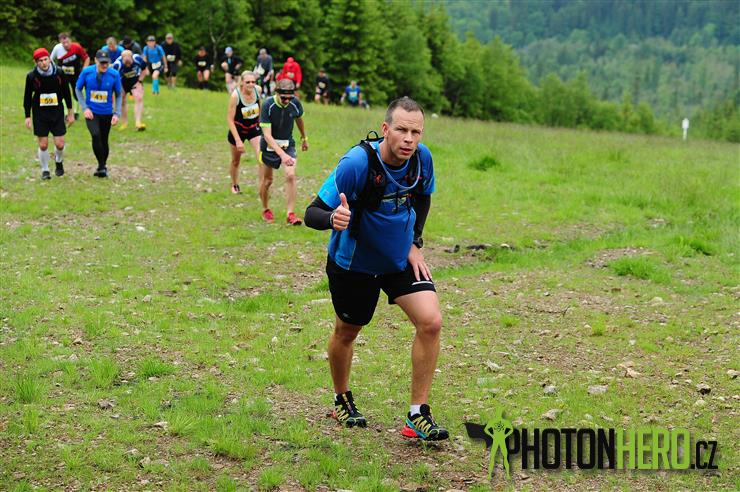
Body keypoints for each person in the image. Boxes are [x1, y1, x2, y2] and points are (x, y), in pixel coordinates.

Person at [304, 97, 447, 441]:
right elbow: (312, 213)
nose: (409, 139)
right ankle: (341, 398)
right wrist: (332, 218)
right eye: (401, 130)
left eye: (416, 132)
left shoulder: (421, 160)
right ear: (385, 129)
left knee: (431, 322)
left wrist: (415, 242)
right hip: (355, 263)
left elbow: (423, 197)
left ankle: (418, 414)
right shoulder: (357, 163)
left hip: (398, 259)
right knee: (347, 331)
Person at [258, 79, 307, 225]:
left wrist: (304, 138)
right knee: (267, 181)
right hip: (269, 145)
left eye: (290, 98)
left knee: (290, 175)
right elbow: (267, 136)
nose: (287, 101)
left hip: (287, 144)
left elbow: (299, 119)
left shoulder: (295, 103)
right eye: (283, 97)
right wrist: (282, 155)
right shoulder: (268, 105)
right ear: (277, 93)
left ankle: (290, 214)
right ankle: (265, 209)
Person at [24, 48, 74, 180]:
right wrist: (27, 116)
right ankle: (45, 170)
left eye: (45, 59)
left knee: (60, 144)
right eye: (40, 61)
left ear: (50, 59)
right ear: (36, 63)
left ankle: (59, 161)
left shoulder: (59, 73)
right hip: (39, 112)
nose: (44, 63)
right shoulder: (32, 76)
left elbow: (67, 93)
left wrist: (70, 112)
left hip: (56, 111)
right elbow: (27, 97)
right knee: (43, 144)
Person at [76, 50, 122, 178]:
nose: (104, 65)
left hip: (107, 112)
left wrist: (117, 113)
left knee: (104, 139)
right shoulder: (87, 72)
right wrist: (84, 108)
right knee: (96, 135)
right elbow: (78, 89)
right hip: (91, 112)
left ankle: (102, 166)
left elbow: (119, 94)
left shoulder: (114, 74)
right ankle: (102, 166)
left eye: (106, 62)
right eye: (102, 63)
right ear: (95, 61)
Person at [226, 71, 262, 194]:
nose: (251, 85)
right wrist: (238, 141)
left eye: (253, 82)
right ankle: (234, 184)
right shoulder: (235, 96)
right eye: (248, 82)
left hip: (253, 129)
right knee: (236, 161)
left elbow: (260, 106)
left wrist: (261, 123)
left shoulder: (258, 90)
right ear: (241, 82)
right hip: (238, 130)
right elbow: (229, 119)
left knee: (262, 158)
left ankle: (262, 187)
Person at [50, 32, 90, 119]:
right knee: (62, 92)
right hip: (62, 75)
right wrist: (55, 69)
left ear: (70, 40)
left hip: (75, 74)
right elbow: (50, 60)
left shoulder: (77, 47)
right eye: (63, 43)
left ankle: (76, 112)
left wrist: (84, 70)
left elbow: (86, 58)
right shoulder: (57, 48)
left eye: (67, 42)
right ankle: (65, 113)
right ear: (60, 42)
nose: (66, 44)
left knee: (76, 91)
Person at [111, 50, 147, 131]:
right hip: (122, 83)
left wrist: (140, 81)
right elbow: (113, 78)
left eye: (129, 63)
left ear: (132, 57)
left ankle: (138, 123)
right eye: (126, 63)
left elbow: (144, 70)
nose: (128, 65)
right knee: (122, 101)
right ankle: (124, 123)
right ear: (122, 59)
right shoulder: (117, 64)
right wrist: (118, 87)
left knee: (139, 98)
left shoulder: (138, 59)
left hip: (135, 81)